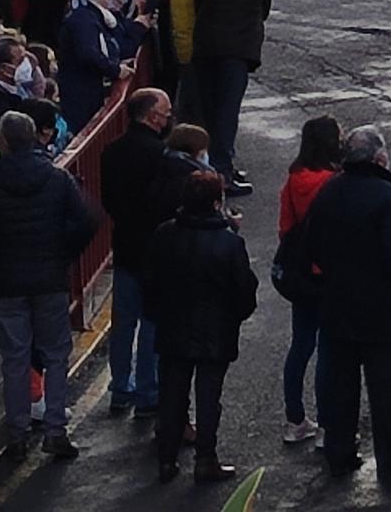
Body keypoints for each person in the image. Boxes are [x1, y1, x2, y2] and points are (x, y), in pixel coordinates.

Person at [301, 125, 391, 478]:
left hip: (337, 303)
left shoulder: (329, 191)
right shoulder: (388, 198)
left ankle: (339, 452)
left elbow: (310, 242)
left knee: (341, 386)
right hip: (381, 310)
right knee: (385, 390)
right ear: (379, 157)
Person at [0, 108, 98, 460]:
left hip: (7, 281)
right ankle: (55, 430)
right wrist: (63, 252)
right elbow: (86, 220)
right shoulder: (56, 178)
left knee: (16, 357)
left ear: (3, 141)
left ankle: (17, 434)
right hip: (49, 278)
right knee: (56, 354)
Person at [145, 167, 258, 483]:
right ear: (216, 202)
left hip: (173, 328)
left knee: (172, 396)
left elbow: (150, 282)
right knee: (210, 398)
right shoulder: (229, 243)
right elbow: (244, 290)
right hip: (215, 330)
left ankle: (166, 460)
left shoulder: (165, 234)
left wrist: (158, 314)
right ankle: (206, 459)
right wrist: (234, 317)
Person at [100, 87, 172, 416]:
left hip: (126, 245)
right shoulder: (160, 155)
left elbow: (108, 201)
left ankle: (119, 388)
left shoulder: (111, 151)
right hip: (155, 251)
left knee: (123, 323)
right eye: (166, 112)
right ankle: (147, 392)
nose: (169, 117)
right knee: (152, 323)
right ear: (151, 115)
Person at [192, 0, 273, 192]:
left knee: (210, 109)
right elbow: (264, 7)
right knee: (228, 111)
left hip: (206, 48)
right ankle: (223, 171)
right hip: (239, 50)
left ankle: (213, 165)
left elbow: (199, 4)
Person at [276, 115, 341, 444]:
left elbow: (285, 227)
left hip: (300, 274)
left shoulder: (294, 178)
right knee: (329, 350)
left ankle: (295, 418)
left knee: (300, 345)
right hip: (328, 273)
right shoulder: (333, 181)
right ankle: (328, 423)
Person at [57, 0, 145, 130]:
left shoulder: (93, 16)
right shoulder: (84, 20)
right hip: (81, 93)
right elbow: (88, 52)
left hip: (87, 89)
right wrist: (115, 70)